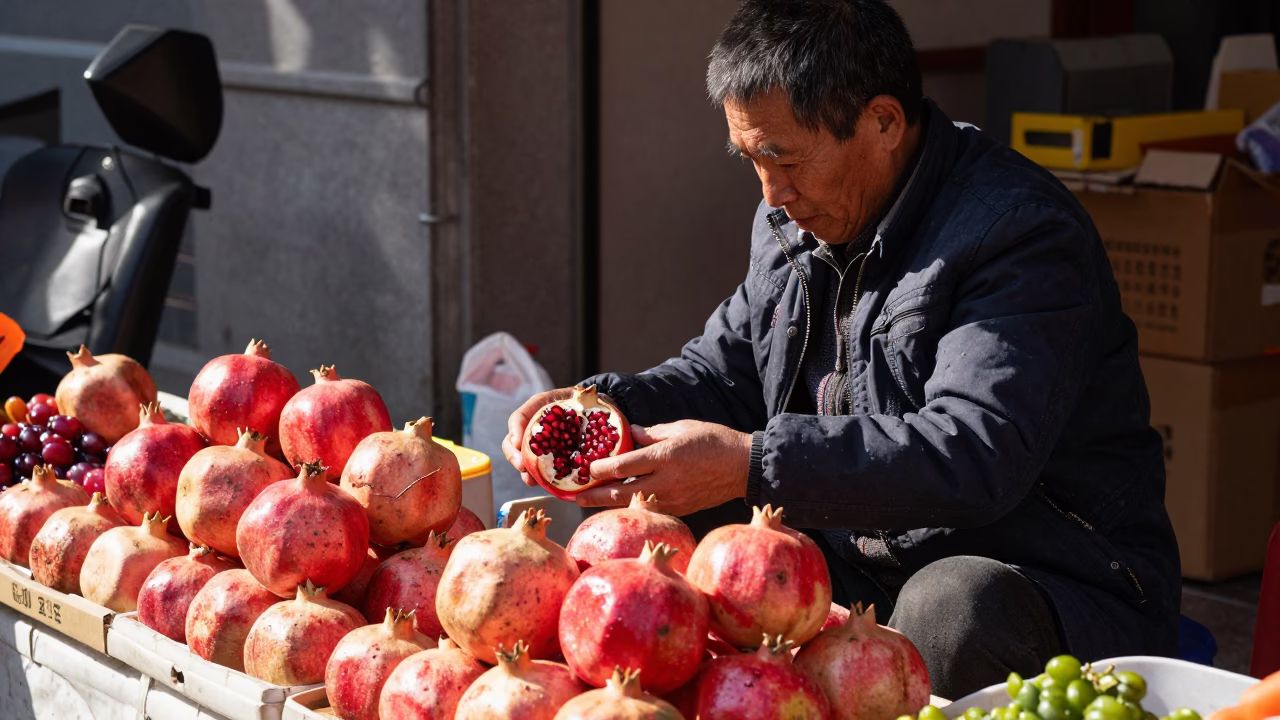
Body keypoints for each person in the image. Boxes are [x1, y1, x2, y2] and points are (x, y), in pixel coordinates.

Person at [502, 0, 1180, 699]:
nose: (771, 191)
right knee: (672, 519)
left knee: (952, 607)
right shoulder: (791, 220)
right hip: (861, 557)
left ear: (883, 122)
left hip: (1053, 582)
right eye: (751, 157)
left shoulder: (1021, 235)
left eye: (782, 156)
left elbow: (973, 453)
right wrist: (599, 403)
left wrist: (754, 465)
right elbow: (722, 373)